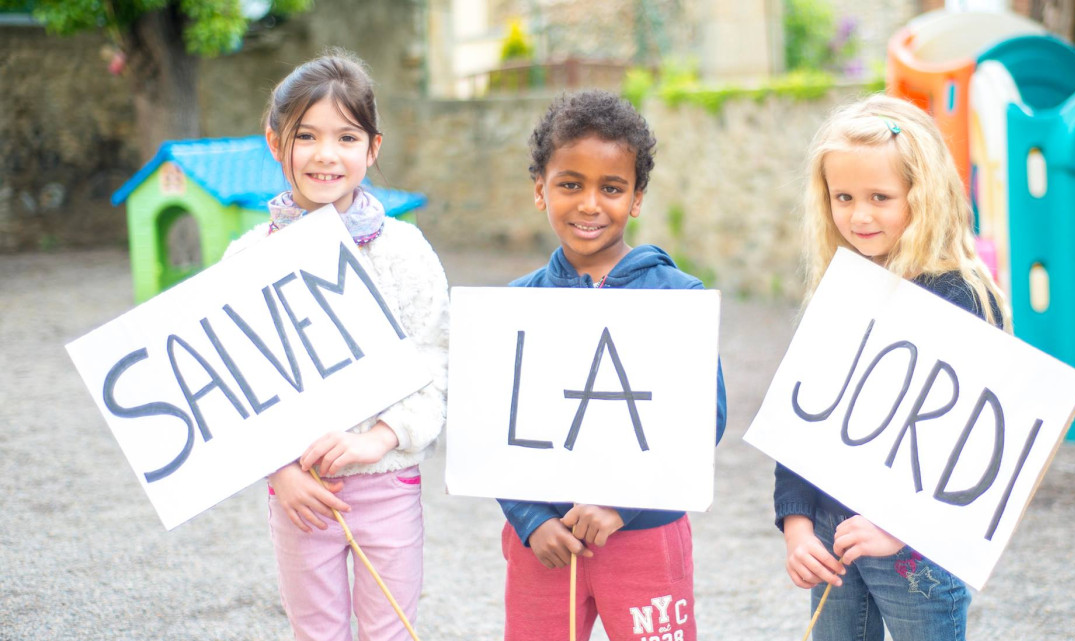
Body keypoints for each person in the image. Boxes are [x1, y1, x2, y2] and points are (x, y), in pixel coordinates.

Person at [224, 50, 449, 641]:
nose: (327, 154)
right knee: (316, 631)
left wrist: (378, 438)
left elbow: (434, 359)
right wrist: (278, 471)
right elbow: (238, 380)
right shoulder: (247, 259)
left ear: (372, 148)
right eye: (307, 136)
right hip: (300, 492)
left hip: (387, 480)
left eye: (346, 137)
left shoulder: (404, 251)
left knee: (390, 630)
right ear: (276, 143)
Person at [774, 94, 1007, 641]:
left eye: (880, 197)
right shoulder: (839, 288)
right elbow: (801, 419)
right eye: (843, 197)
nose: (859, 215)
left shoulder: (961, 297)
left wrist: (899, 525)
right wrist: (796, 523)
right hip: (832, 534)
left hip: (916, 550)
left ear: (921, 196)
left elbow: (971, 439)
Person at [497, 89, 728, 641]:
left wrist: (622, 505)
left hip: (646, 535)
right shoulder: (513, 307)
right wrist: (531, 520)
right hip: (545, 543)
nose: (590, 204)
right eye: (570, 184)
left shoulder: (678, 297)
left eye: (612, 188)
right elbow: (492, 435)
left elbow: (703, 420)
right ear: (540, 189)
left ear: (638, 197)